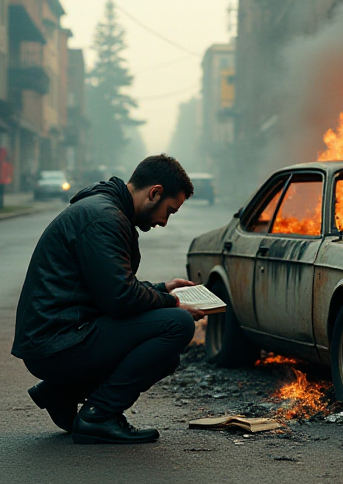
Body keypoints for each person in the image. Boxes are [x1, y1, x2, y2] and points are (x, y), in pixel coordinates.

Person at [11, 154, 204, 445]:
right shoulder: (104, 218)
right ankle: (98, 416)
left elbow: (108, 287)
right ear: (154, 192)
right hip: (57, 342)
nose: (165, 221)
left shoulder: (105, 210)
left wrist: (163, 288)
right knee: (177, 325)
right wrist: (173, 303)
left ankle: (61, 392)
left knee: (166, 356)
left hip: (60, 335)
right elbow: (119, 299)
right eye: (169, 211)